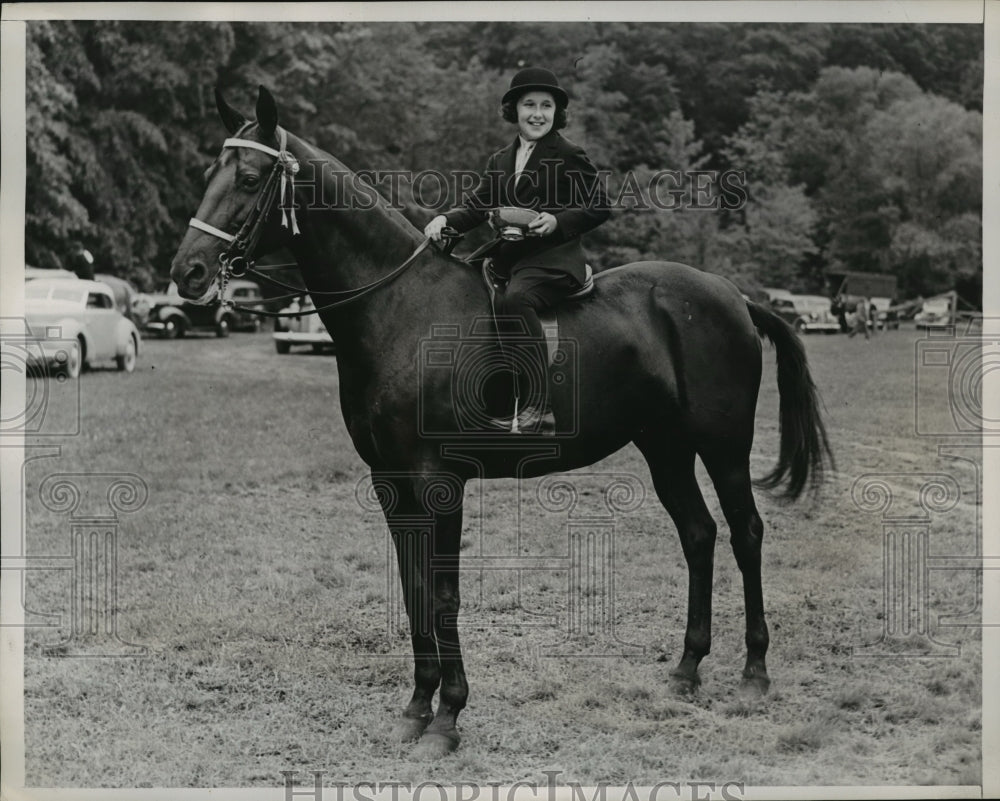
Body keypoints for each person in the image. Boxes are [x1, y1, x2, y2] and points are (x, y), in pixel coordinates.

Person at [424, 67, 611, 434]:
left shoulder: (570, 154)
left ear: (557, 112)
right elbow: (478, 206)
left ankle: (539, 407)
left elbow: (600, 205)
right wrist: (445, 219)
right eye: (529, 105)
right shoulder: (500, 159)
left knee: (516, 300)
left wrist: (557, 221)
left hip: (554, 260)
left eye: (546, 105)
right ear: (514, 110)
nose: (538, 113)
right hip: (508, 259)